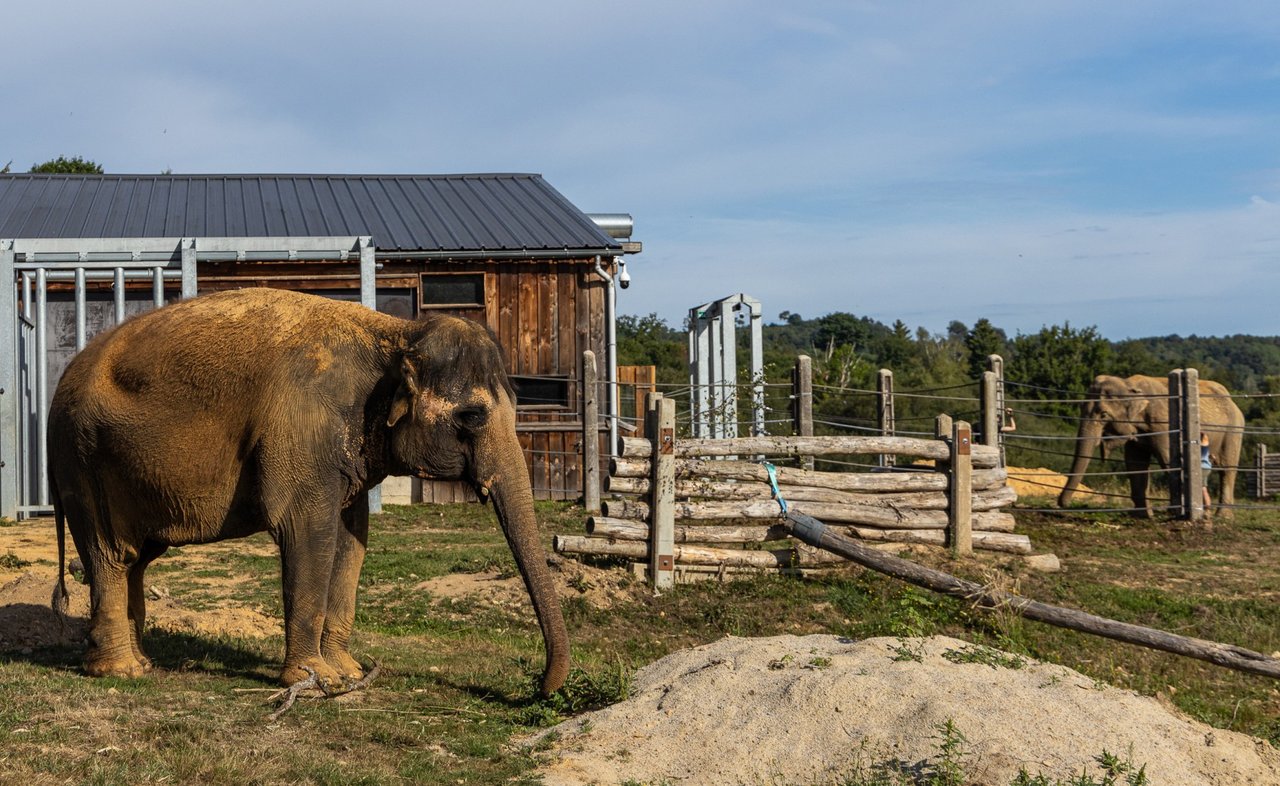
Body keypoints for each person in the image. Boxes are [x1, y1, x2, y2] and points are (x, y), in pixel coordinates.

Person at [1200, 432, 1213, 515]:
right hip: (1205, 468)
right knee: (1204, 488)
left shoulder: (1203, 445)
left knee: (1202, 489)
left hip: (1202, 468)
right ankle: (1207, 508)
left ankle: (1207, 509)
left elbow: (1204, 437)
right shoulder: (1204, 447)